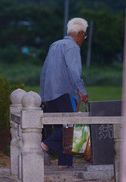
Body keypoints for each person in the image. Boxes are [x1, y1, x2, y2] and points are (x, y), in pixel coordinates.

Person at [39, 17, 88, 168]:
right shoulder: (72, 47)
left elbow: (44, 70)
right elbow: (74, 71)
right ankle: (45, 145)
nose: (83, 39)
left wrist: (43, 95)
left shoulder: (55, 44)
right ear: (79, 33)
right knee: (72, 127)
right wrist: (82, 90)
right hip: (64, 93)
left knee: (62, 128)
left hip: (50, 94)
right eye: (84, 36)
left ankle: (64, 164)